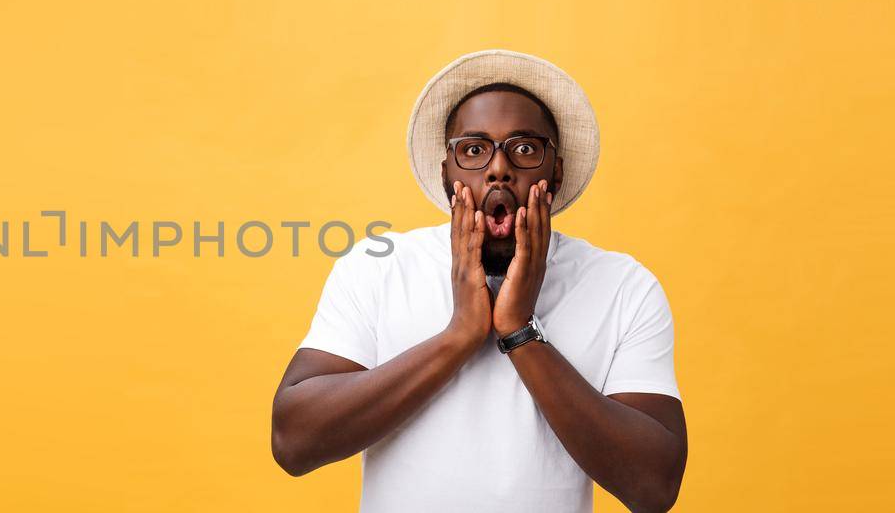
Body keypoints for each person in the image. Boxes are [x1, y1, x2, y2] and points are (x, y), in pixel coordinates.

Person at [270, 50, 687, 513]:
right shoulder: (377, 267)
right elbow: (293, 441)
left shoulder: (623, 286)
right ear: (447, 174)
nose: (498, 168)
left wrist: (518, 331)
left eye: (525, 148)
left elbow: (655, 486)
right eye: (473, 149)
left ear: (557, 173)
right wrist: (460, 335)